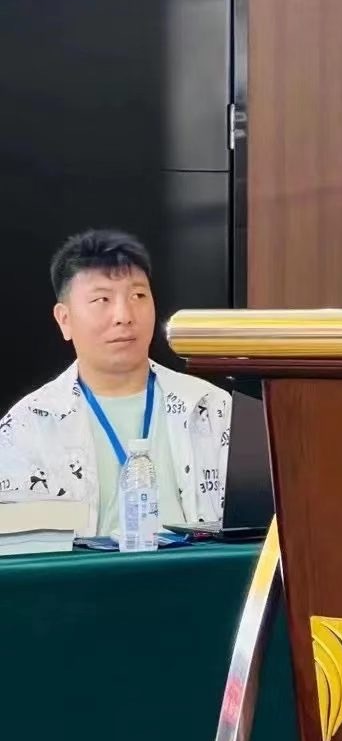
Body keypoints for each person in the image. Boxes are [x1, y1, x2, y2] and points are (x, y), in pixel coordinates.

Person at [0, 230, 231, 537]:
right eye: (102, 299)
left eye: (138, 296)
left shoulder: (213, 407)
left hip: (205, 568)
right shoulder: (26, 426)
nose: (124, 315)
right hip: (88, 571)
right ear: (64, 319)